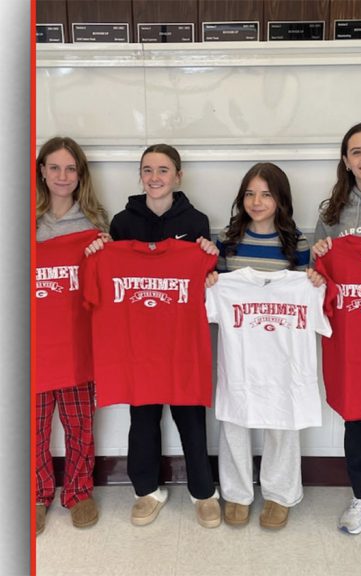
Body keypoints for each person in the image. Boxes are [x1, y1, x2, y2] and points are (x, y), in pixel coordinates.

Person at [98, 143, 222, 528]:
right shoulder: (122, 222)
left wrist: (208, 259)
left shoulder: (197, 221)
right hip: (138, 342)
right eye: (148, 170)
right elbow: (109, 273)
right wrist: (100, 250)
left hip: (181, 341)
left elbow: (205, 278)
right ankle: (146, 490)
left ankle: (204, 492)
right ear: (140, 175)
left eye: (163, 170)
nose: (155, 177)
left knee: (190, 417)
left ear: (178, 176)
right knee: (144, 416)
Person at [211, 163, 316, 530]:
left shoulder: (297, 243)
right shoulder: (228, 240)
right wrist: (211, 280)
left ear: (280, 199)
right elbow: (218, 293)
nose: (257, 201)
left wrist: (314, 281)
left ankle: (280, 493)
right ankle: (237, 493)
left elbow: (307, 293)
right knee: (235, 420)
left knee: (281, 420)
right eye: (250, 193)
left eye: (266, 194)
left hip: (283, 355)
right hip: (238, 352)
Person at [311, 122, 361, 539]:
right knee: (356, 420)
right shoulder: (332, 214)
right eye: (356, 151)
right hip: (350, 336)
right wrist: (319, 255)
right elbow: (317, 274)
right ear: (345, 160)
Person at [34, 136, 108, 535]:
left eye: (70, 168)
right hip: (30, 348)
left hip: (79, 344)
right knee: (33, 428)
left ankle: (79, 491)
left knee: (80, 426)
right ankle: (36, 495)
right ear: (41, 172)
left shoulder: (95, 227)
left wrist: (106, 254)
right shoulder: (21, 222)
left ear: (80, 175)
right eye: (54, 167)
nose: (62, 176)